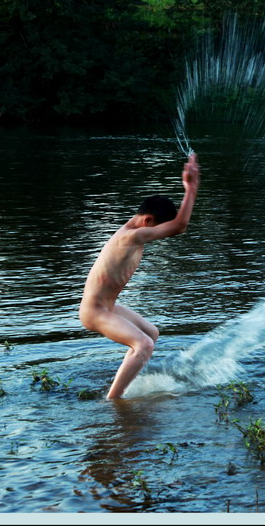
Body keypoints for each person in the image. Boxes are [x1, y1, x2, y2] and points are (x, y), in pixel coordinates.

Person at [79, 152, 200, 399]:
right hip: (95, 311)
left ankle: (128, 378)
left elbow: (174, 226)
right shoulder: (130, 237)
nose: (158, 235)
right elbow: (179, 226)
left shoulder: (136, 229)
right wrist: (191, 187)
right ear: (147, 220)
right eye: (156, 228)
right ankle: (113, 400)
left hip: (108, 306)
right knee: (144, 344)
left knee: (151, 334)